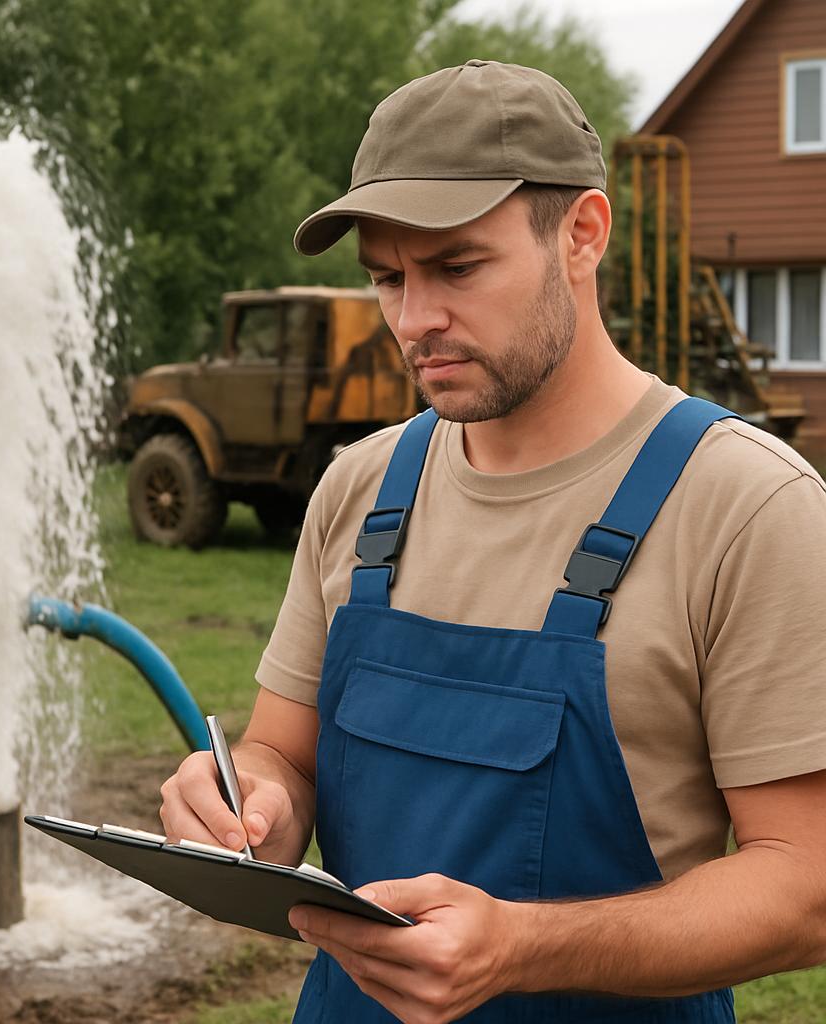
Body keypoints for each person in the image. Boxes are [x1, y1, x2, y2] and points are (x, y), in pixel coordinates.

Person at [159, 60, 826, 1023]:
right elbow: (283, 755)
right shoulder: (360, 489)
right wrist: (245, 804)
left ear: (582, 235)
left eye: (457, 267)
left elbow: (805, 887)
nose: (415, 320)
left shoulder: (749, 508)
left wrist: (526, 948)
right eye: (388, 278)